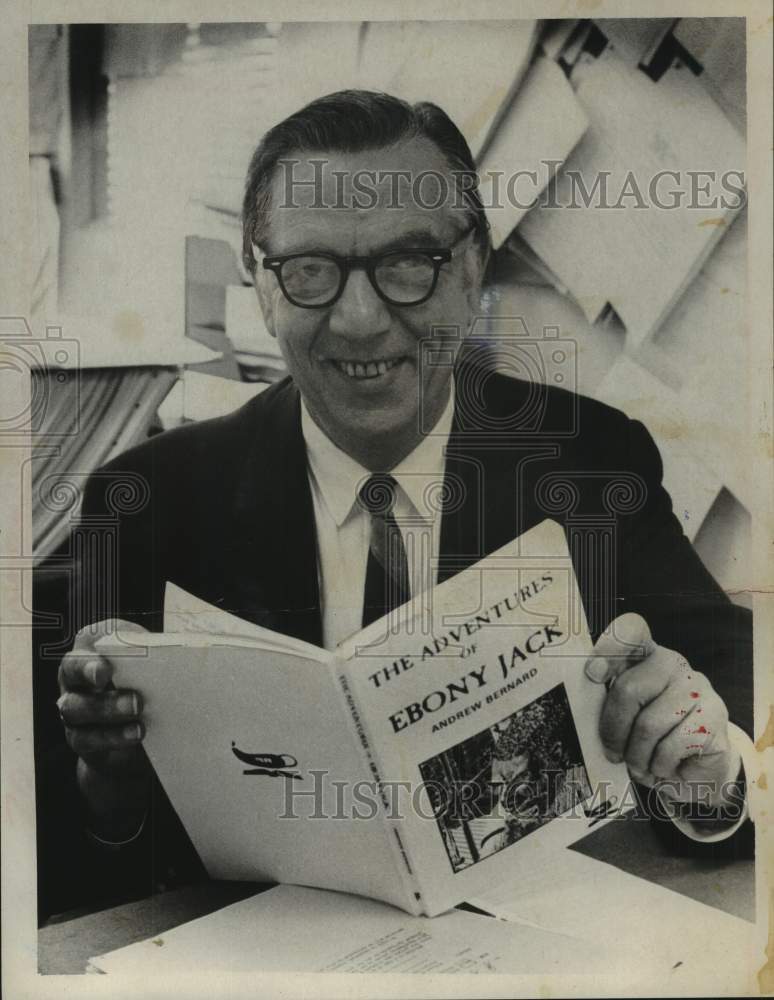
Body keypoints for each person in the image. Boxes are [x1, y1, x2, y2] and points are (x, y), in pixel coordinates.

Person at [38, 90, 753, 920]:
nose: (360, 318)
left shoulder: (590, 461)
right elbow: (54, 867)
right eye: (309, 273)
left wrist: (712, 768)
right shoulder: (147, 500)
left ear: (474, 268)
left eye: (409, 264)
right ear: (261, 287)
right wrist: (108, 791)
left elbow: (741, 703)